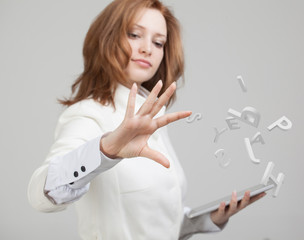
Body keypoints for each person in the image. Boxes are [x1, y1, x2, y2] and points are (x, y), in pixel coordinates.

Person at [27, 0, 265, 239]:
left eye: (158, 42)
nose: (147, 48)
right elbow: (40, 193)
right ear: (107, 38)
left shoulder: (152, 117)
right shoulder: (88, 114)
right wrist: (106, 150)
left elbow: (154, 224)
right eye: (134, 34)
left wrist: (209, 219)